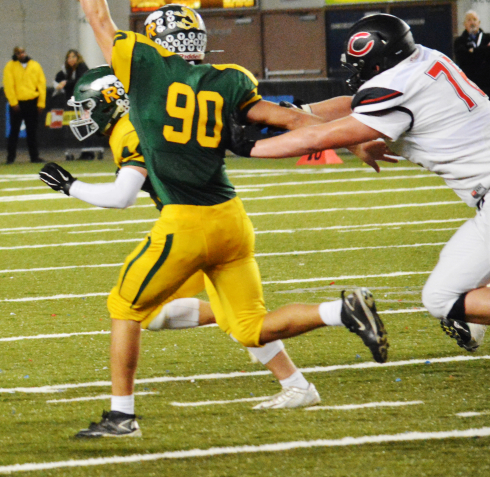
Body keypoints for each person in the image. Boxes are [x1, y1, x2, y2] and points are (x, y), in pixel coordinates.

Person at [64, 0, 388, 438]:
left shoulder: (140, 67)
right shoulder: (229, 79)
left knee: (124, 304)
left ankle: (122, 416)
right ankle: (340, 312)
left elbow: (97, 16)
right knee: (249, 325)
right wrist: (355, 140)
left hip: (185, 223)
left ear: (156, 42)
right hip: (231, 220)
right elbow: (289, 118)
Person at [39, 63, 321, 410]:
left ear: (107, 101)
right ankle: (292, 379)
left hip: (192, 225)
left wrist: (71, 187)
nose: (81, 116)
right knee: (156, 314)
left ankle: (122, 414)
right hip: (216, 217)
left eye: (85, 106)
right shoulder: (141, 118)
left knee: (130, 308)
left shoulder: (130, 131)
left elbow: (121, 197)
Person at [240, 12, 490, 353]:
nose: (357, 73)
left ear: (380, 62)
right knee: (460, 275)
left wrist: (246, 146)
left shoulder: (395, 86)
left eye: (363, 65)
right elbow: (351, 108)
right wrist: (290, 112)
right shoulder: (427, 57)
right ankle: (470, 319)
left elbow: (317, 139)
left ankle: (467, 316)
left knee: (441, 297)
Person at [2, 46, 46, 164]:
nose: (21, 54)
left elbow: (41, 84)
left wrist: (41, 102)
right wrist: (13, 102)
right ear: (15, 54)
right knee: (14, 131)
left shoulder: (35, 65)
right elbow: (8, 85)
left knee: (32, 131)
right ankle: (10, 157)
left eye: (22, 52)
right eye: (18, 53)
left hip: (32, 101)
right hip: (18, 103)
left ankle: (34, 156)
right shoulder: (10, 66)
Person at [453, 9, 490, 94]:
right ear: (464, 24)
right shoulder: (459, 41)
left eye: (474, 19)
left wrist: (473, 51)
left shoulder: (487, 38)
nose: (472, 23)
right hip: (470, 84)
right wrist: (485, 50)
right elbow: (463, 58)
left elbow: (471, 57)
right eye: (469, 20)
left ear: (479, 22)